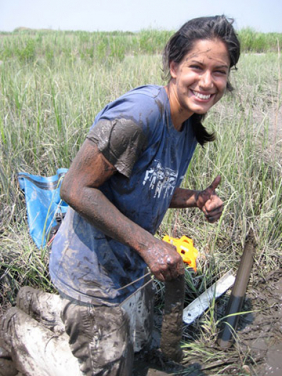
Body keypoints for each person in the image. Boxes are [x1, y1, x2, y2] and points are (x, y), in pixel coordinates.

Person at [0, 15, 240, 376]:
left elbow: (147, 186)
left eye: (219, 71)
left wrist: (196, 199)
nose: (208, 82)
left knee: (141, 343)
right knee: (111, 369)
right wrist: (150, 246)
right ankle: (14, 329)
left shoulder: (188, 125)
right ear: (174, 66)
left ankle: (42, 304)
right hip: (88, 268)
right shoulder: (139, 116)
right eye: (197, 67)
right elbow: (74, 188)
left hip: (126, 266)